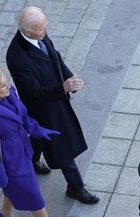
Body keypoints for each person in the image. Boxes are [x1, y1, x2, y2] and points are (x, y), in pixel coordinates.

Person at [0, 67, 75, 217]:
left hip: (23, 151)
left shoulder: (8, 94)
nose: (8, 86)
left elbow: (24, 118)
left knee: (17, 189)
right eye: (2, 85)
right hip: (10, 165)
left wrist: (40, 131)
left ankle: (5, 212)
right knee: (33, 195)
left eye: (5, 82)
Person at [6, 6, 98, 204]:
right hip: (43, 109)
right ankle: (75, 187)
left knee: (39, 137)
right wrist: (62, 87)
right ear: (28, 32)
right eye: (42, 29)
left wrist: (69, 77)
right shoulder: (17, 57)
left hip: (56, 99)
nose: (46, 31)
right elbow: (33, 93)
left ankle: (30, 161)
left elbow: (54, 56)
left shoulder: (38, 35)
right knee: (60, 146)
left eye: (45, 26)